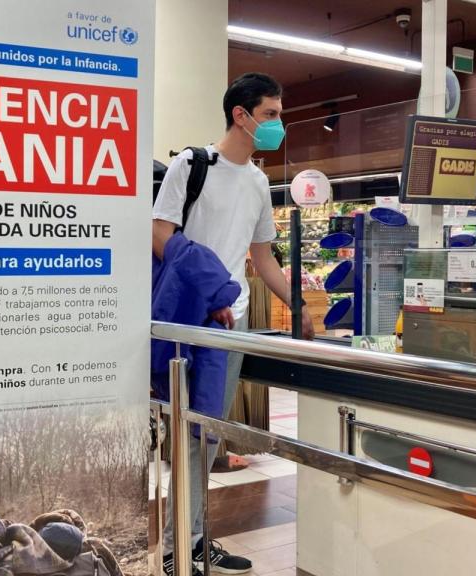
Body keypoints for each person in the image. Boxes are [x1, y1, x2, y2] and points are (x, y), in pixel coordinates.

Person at [152, 72, 314, 576]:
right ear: (240, 116)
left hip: (232, 324)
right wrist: (211, 290)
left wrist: (302, 306)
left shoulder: (260, 182)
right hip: (189, 321)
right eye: (269, 114)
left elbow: (262, 259)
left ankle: (191, 541)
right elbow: (159, 236)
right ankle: (179, 544)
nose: (277, 125)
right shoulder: (191, 165)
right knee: (186, 433)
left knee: (210, 436)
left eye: (279, 114)